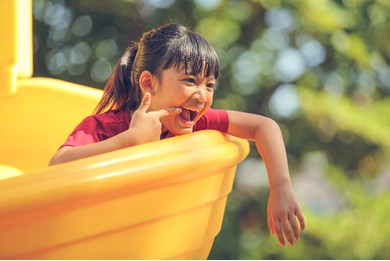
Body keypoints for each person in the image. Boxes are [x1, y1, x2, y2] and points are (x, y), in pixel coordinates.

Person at [49, 23, 305, 247]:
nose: (202, 95)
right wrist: (129, 140)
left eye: (210, 85)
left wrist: (280, 187)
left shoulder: (196, 121)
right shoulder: (108, 126)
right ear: (149, 83)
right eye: (190, 81)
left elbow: (264, 126)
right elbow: (58, 166)